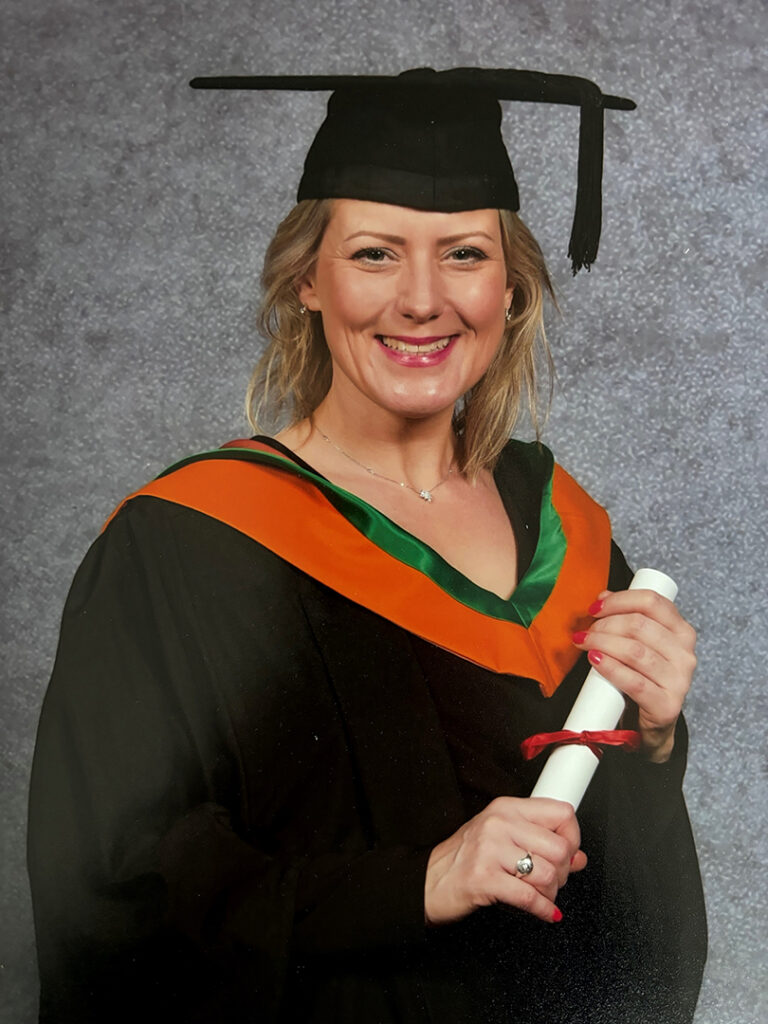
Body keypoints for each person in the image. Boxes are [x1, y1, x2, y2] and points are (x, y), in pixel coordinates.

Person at [28, 68, 707, 1023]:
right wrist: (419, 884)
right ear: (308, 278)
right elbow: (112, 884)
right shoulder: (188, 543)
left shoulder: (563, 521)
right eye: (377, 254)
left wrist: (654, 736)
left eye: (465, 252)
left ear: (509, 286)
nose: (423, 301)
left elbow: (622, 894)